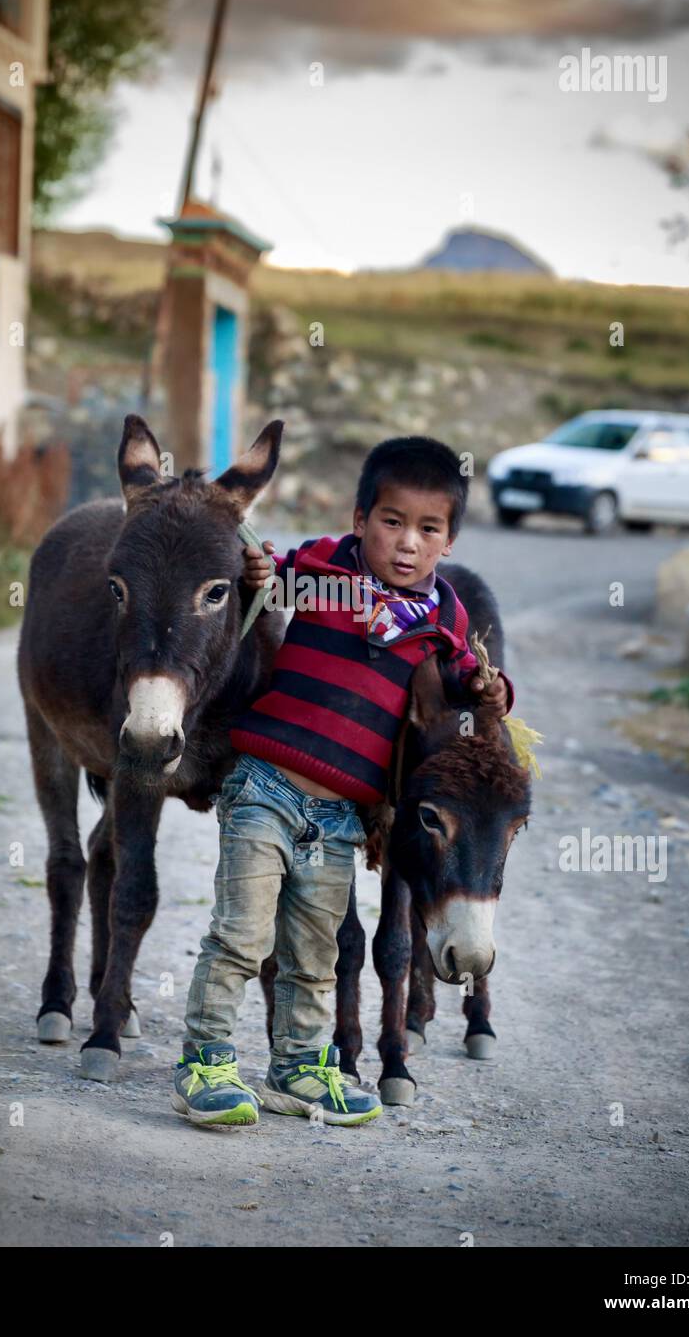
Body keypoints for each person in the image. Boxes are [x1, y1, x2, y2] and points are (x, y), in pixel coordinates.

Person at [172, 435, 513, 1127]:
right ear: (360, 520)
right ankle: (204, 1062)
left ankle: (298, 1066)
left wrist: (492, 686)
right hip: (265, 788)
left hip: (339, 821)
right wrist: (258, 568)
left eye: (428, 529)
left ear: (449, 541)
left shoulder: (445, 618)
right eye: (391, 522)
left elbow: (461, 687)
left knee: (315, 953)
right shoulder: (326, 568)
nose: (407, 544)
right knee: (241, 936)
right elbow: (266, 580)